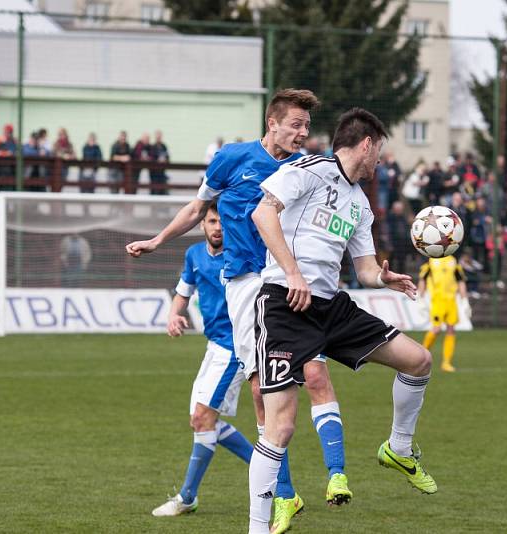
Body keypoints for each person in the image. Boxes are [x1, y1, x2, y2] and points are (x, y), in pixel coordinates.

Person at [126, 89, 352, 534]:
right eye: (296, 125)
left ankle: (336, 474)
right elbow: (197, 207)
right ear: (273, 123)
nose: (303, 134)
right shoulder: (233, 159)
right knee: (260, 392)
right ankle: (285, 494)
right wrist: (157, 240)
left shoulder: (302, 168)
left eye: (307, 127)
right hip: (246, 286)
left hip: (288, 281)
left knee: (316, 374)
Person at [248, 107, 436, 534]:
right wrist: (292, 272)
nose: (379, 163)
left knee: (418, 360)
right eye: (380, 153)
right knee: (281, 427)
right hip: (284, 303)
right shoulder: (309, 169)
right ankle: (257, 528)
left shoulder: (360, 204)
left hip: (331, 307)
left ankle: (399, 447)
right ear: (366, 144)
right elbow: (263, 214)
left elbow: (365, 269)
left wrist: (383, 279)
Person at [152, 202, 254, 517]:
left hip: (236, 347)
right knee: (201, 421)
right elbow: (183, 292)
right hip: (214, 347)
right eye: (212, 221)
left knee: (202, 418)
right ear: (202, 225)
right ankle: (272, 468)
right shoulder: (194, 255)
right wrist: (173, 315)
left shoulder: (241, 256)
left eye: (222, 222)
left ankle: (187, 496)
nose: (217, 227)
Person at [418, 256, 470, 373]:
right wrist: (420, 298)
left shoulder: (453, 260)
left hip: (451, 301)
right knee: (436, 329)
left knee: (451, 329)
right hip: (437, 301)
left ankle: (446, 363)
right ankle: (420, 354)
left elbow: (460, 281)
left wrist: (464, 300)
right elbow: (423, 279)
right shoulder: (431, 260)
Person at [150, 130, 170, 195]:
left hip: (162, 171)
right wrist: (157, 160)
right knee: (154, 189)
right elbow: (151, 157)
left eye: (160, 136)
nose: (158, 137)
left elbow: (167, 156)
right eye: (157, 136)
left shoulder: (164, 146)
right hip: (154, 172)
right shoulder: (152, 147)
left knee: (163, 189)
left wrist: (165, 160)